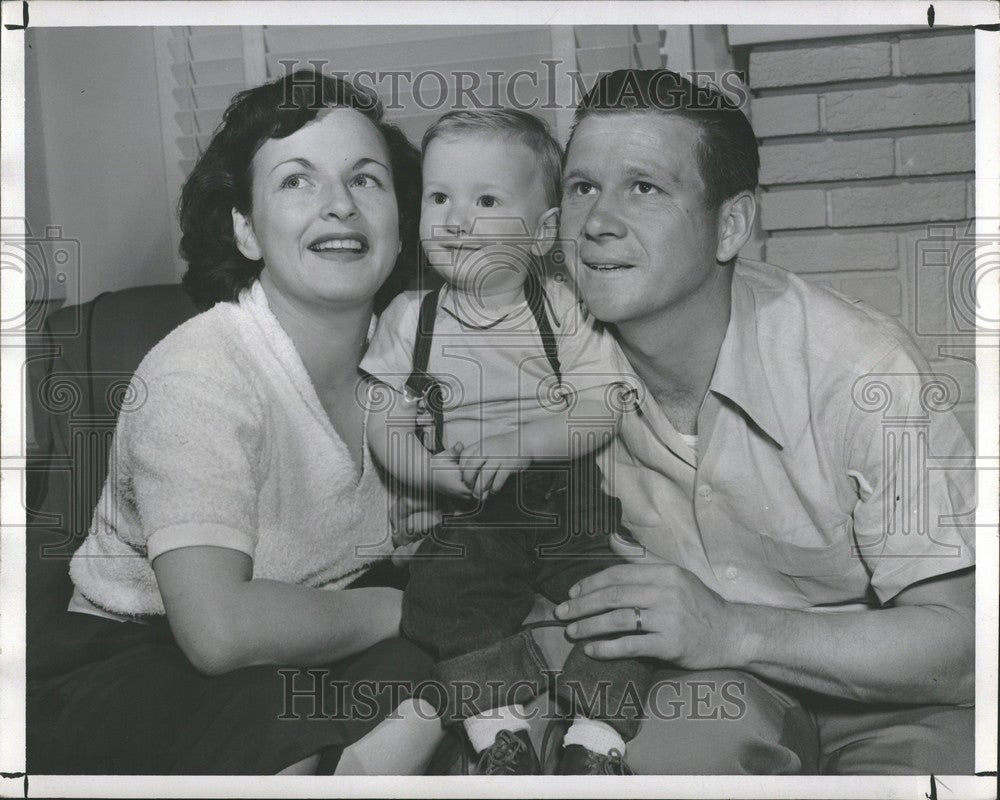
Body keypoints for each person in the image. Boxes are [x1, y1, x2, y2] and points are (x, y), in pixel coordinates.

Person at [546, 69, 976, 775]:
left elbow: (959, 648)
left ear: (732, 224)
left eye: (645, 187)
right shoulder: (541, 365)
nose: (597, 222)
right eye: (582, 186)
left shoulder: (862, 371)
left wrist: (734, 628)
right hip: (703, 692)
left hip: (892, 702)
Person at [26, 70, 445, 776]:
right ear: (246, 230)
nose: (339, 205)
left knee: (455, 675)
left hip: (321, 628)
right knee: (288, 717)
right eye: (296, 182)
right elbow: (217, 632)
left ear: (401, 225)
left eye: (367, 180)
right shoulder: (200, 371)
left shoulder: (418, 355)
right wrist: (419, 610)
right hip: (137, 657)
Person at [359, 109, 651, 775]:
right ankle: (499, 727)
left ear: (542, 229)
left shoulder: (563, 306)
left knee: (627, 595)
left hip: (565, 493)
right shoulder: (409, 318)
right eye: (439, 198)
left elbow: (601, 405)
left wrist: (525, 442)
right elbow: (387, 423)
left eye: (486, 200)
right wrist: (427, 471)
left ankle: (595, 736)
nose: (455, 220)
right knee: (439, 595)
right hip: (469, 501)